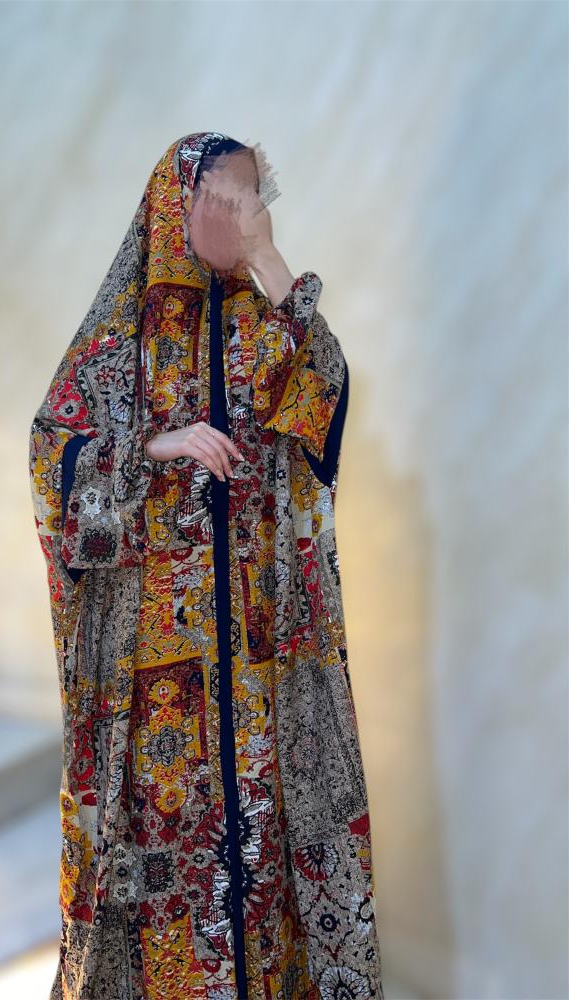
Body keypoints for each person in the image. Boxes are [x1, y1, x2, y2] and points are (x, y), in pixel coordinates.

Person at [29, 131, 384, 1000]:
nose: (251, 211)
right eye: (231, 196)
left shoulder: (265, 329)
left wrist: (268, 259)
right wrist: (154, 446)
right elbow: (51, 458)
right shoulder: (120, 340)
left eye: (257, 195)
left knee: (259, 856)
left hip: (257, 660)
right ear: (177, 207)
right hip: (154, 674)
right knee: (167, 869)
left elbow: (326, 397)